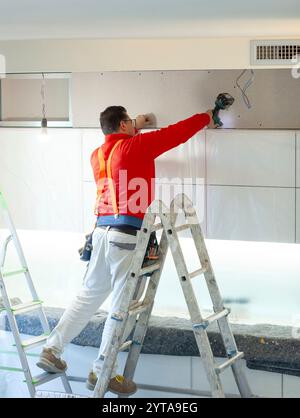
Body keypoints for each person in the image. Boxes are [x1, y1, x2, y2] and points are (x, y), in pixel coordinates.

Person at [37, 106, 217, 396]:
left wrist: (138, 123)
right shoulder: (136, 146)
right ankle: (102, 371)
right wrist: (207, 116)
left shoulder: (98, 155)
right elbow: (175, 134)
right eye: (131, 122)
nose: (137, 126)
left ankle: (52, 349)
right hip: (127, 236)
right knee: (121, 307)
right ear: (123, 125)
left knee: (88, 296)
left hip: (101, 233)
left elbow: (122, 148)